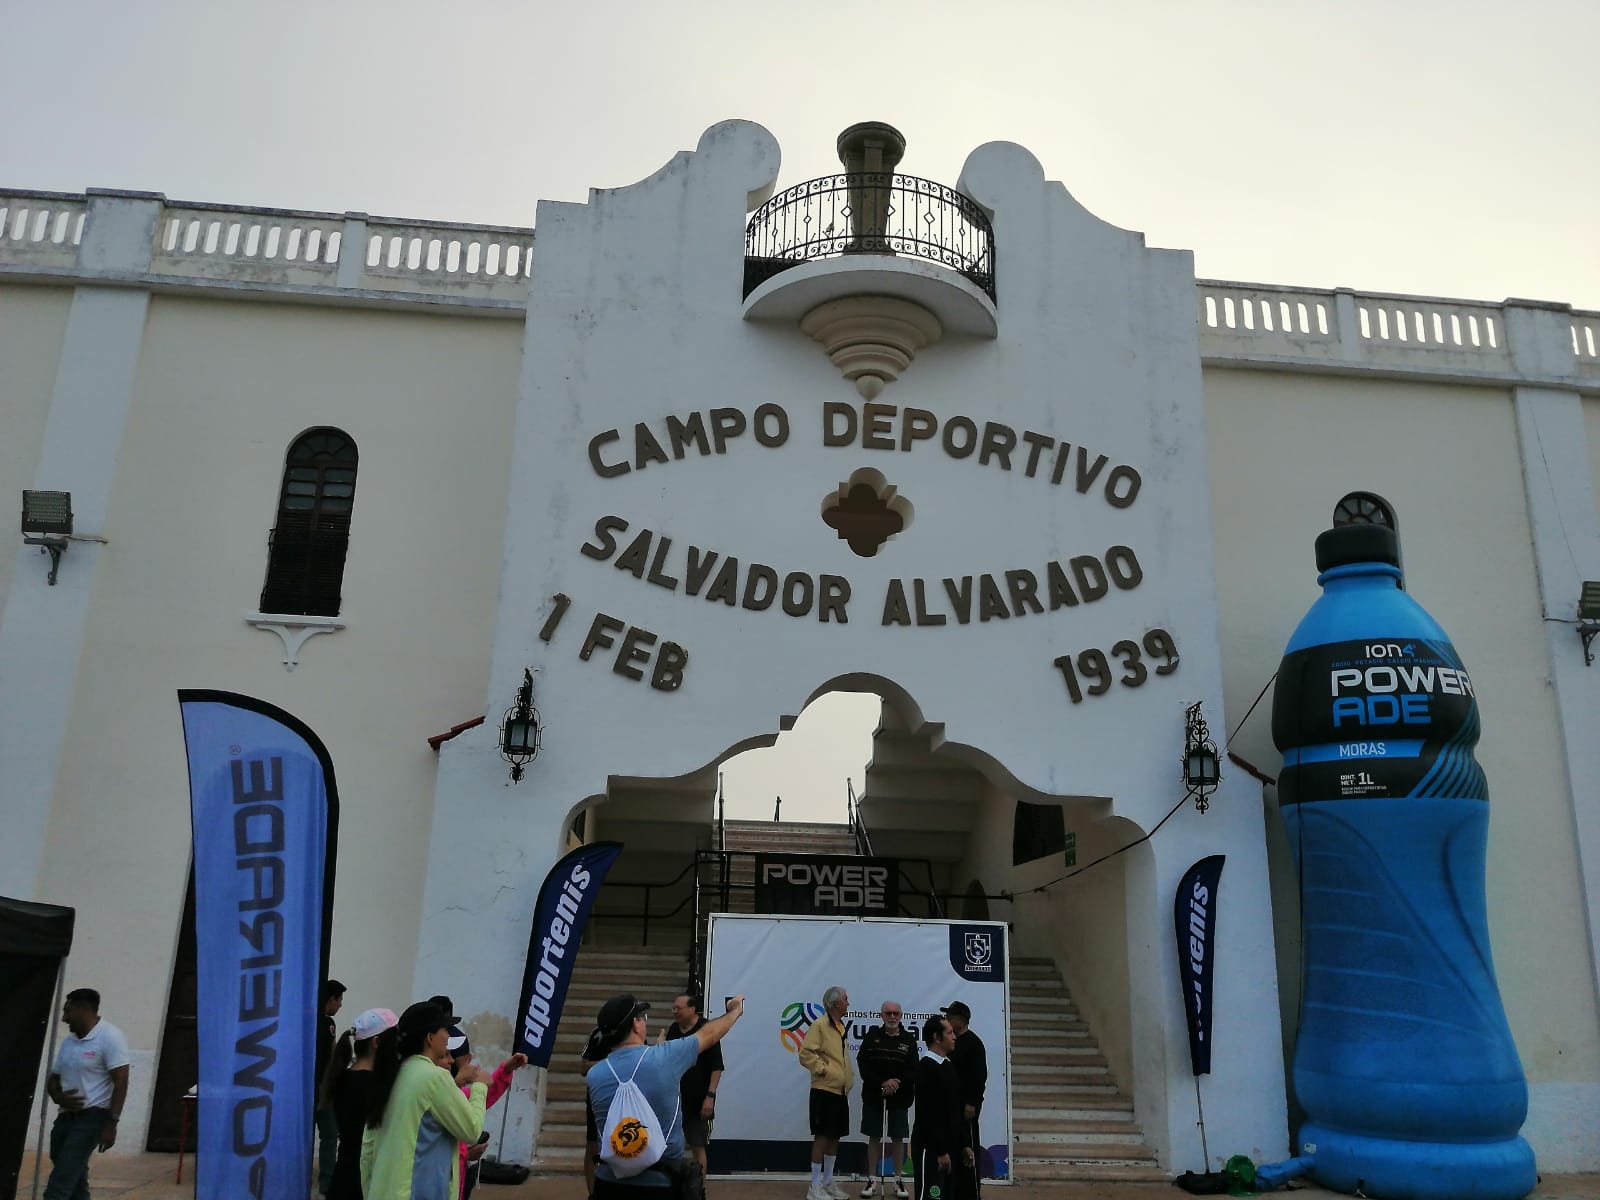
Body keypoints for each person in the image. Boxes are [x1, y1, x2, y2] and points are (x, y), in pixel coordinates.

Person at [585, 991, 744, 1197]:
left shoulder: (594, 1075)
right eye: (642, 1018)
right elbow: (710, 1034)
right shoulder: (665, 1057)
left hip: (608, 1184)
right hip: (660, 1184)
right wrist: (735, 1011)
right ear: (635, 1025)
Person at [362, 1001, 491, 1200]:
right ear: (430, 1038)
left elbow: (367, 1150)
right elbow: (472, 1130)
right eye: (444, 1030)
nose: (448, 1036)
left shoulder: (390, 1075)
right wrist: (480, 1087)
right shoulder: (434, 1077)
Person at [42, 988, 130, 1200]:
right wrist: (58, 1096)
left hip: (92, 1119)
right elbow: (54, 1079)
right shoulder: (69, 1042)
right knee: (75, 1179)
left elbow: (121, 1081)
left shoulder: (110, 1037)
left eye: (68, 1011)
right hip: (65, 1118)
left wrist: (112, 1123)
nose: (64, 1018)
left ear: (84, 1009)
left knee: (60, 1183)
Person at [323, 1007, 399, 1200]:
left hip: (344, 1177)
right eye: (394, 1040)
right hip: (363, 1180)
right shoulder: (375, 1085)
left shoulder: (344, 1077)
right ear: (376, 1042)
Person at [445, 1025, 527, 1200]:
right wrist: (465, 1155)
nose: (449, 1060)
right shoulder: (437, 1092)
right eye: (445, 1055)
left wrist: (505, 1070)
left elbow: (480, 1099)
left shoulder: (454, 1092)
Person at [658, 994, 724, 1183]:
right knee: (669, 1147)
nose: (675, 1012)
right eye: (673, 1008)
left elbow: (716, 1067)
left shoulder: (706, 1030)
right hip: (674, 1101)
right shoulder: (673, 1030)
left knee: (697, 1146)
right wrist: (660, 1048)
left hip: (698, 1101)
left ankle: (698, 1188)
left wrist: (710, 1096)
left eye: (679, 1008)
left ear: (692, 1009)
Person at [855, 1000, 917, 1199]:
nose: (892, 1017)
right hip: (875, 1094)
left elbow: (913, 1067)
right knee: (874, 1136)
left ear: (901, 1016)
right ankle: (872, 1178)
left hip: (900, 1096)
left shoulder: (908, 1039)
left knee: (898, 1137)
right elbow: (863, 1063)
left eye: (896, 1013)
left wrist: (896, 1083)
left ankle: (897, 1179)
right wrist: (882, 1083)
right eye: (888, 1013)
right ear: (881, 1015)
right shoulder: (872, 1036)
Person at [798, 986, 854, 1200]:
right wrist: (824, 1069)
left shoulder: (839, 1026)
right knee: (821, 1136)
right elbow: (805, 1053)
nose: (848, 1003)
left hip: (839, 1091)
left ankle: (829, 1182)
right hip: (823, 1090)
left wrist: (848, 1078)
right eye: (846, 1000)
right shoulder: (820, 1025)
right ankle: (814, 1186)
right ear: (836, 1003)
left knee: (835, 1136)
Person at [910, 1015, 969, 1200]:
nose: (954, 1037)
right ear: (937, 1037)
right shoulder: (926, 1068)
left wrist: (964, 1143)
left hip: (949, 1146)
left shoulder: (948, 1066)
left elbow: (953, 1109)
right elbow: (930, 1114)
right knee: (930, 1195)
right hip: (931, 1148)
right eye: (949, 1033)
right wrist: (940, 1151)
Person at [941, 1002, 987, 1199]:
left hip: (966, 1107)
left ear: (960, 1020)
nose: (947, 1019)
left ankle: (972, 1193)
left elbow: (979, 1076)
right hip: (951, 1105)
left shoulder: (973, 1043)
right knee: (953, 1147)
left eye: (950, 1016)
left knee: (968, 1148)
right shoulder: (951, 1041)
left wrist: (972, 1103)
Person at [317, 978, 348, 1195]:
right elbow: (333, 1055)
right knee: (329, 1135)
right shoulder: (328, 1024)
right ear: (331, 999)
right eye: (339, 1000)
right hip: (323, 1088)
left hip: (303, 1089)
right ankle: (327, 1183)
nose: (340, 1005)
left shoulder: (304, 1020)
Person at [579, 1025, 609, 1198]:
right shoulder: (597, 1034)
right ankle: (592, 1194)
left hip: (624, 1099)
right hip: (596, 1099)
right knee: (592, 1146)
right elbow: (583, 1068)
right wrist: (610, 1062)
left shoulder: (635, 1033)